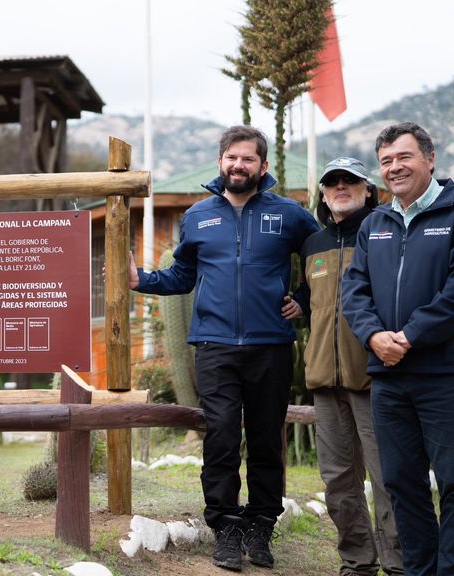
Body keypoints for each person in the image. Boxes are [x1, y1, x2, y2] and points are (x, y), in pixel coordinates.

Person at [128, 125, 319, 571]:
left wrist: (305, 300)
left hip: (271, 345)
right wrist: (143, 282)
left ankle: (261, 526)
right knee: (222, 439)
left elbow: (324, 258)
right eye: (232, 157)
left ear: (263, 165)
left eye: (248, 158)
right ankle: (226, 527)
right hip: (214, 347)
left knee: (268, 441)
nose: (239, 165)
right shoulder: (198, 216)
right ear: (221, 162)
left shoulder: (289, 215)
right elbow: (182, 275)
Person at [342, 122, 454, 576]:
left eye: (403, 157)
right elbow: (355, 291)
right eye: (386, 161)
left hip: (448, 375)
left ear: (430, 158)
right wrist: (372, 336)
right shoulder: (375, 224)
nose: (394, 167)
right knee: (401, 486)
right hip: (389, 378)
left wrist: (408, 337)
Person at [291, 157, 403, 575]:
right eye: (332, 182)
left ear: (368, 190)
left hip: (376, 378)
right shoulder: (313, 245)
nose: (341, 187)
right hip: (324, 378)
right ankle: (357, 562)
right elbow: (311, 296)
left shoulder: (388, 234)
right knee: (338, 481)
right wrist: (297, 303)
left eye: (351, 181)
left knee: (388, 475)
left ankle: (400, 561)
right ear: (322, 193)